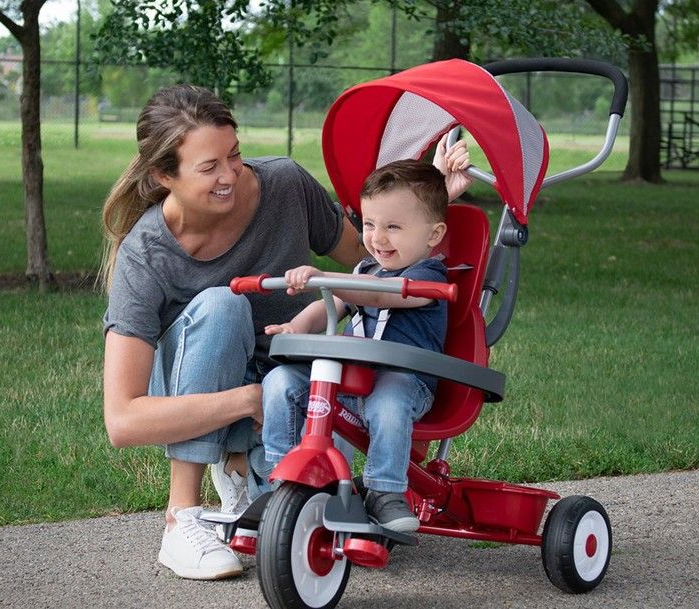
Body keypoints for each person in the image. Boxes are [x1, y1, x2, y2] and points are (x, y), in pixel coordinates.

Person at [99, 85, 367, 580]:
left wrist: (427, 202)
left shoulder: (285, 184)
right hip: (205, 389)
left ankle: (241, 466)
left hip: (290, 382)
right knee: (223, 304)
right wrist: (246, 401)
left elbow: (367, 264)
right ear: (163, 176)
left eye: (235, 154)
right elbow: (123, 421)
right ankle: (181, 518)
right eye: (209, 167)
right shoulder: (146, 256)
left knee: (311, 534)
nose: (230, 175)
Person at [258, 153, 468, 534]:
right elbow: (330, 305)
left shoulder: (428, 276)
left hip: (403, 382)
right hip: (350, 380)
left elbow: (377, 295)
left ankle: (384, 491)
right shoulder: (365, 269)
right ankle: (282, 478)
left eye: (393, 227)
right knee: (280, 381)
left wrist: (325, 277)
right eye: (369, 224)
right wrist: (295, 326)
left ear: (434, 235)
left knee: (389, 403)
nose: (377, 238)